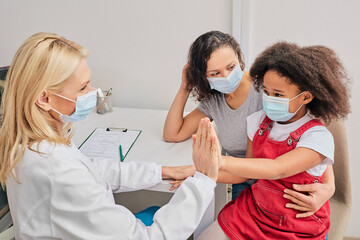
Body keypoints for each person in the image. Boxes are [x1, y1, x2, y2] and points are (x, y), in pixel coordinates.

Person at [0, 32, 220, 240]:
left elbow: (91, 169)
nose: (93, 92)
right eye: (83, 87)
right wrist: (204, 180)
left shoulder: (32, 141)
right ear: (44, 99)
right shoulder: (57, 171)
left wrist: (162, 171)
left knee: (156, 211)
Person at [163, 30, 335, 215]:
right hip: (241, 176)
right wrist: (184, 88)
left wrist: (329, 186)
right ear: (203, 77)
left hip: (283, 179)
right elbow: (173, 134)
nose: (226, 76)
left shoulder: (269, 91)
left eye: (231, 67)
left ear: (238, 57)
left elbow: (311, 137)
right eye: (215, 73)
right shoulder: (215, 101)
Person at [195, 42, 351, 240]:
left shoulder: (318, 137)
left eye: (278, 95)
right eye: (266, 92)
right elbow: (249, 168)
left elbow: (278, 168)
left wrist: (218, 160)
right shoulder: (258, 121)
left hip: (296, 225)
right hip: (254, 211)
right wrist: (191, 172)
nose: (269, 99)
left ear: (306, 97)